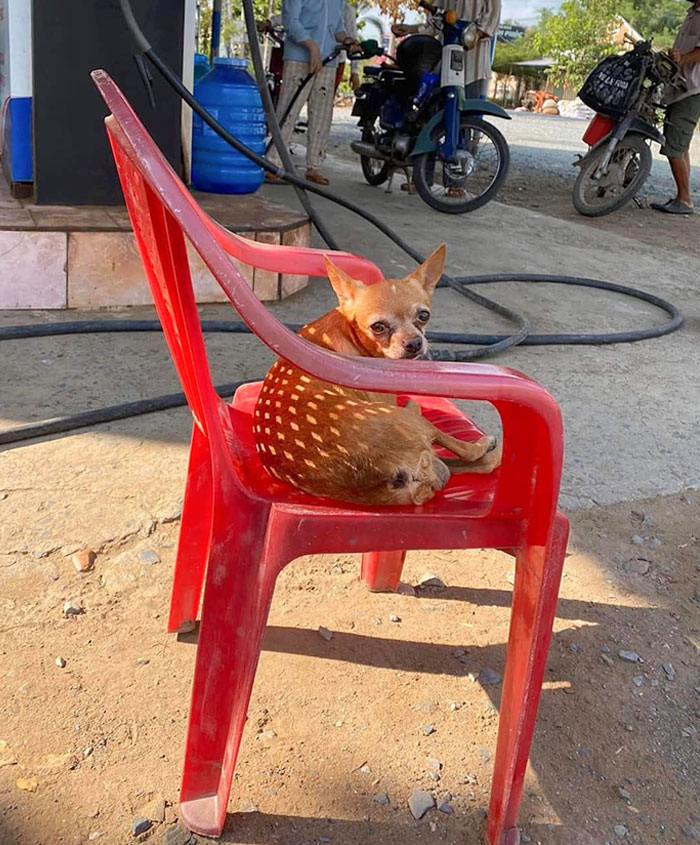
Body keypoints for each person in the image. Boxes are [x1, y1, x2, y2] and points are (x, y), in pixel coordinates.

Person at [266, 0, 358, 185]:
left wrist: (346, 39)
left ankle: (314, 166)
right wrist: (311, 45)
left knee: (322, 115)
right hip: (299, 58)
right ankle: (273, 163)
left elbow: (337, 28)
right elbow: (291, 21)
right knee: (288, 110)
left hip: (328, 61)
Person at [391, 0, 500, 100]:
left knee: (471, 113)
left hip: (473, 71)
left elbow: (492, 19)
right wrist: (410, 29)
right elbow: (435, 22)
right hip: (445, 68)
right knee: (438, 109)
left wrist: (475, 35)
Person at [651, 0, 700, 215]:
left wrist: (682, 59)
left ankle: (685, 200)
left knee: (673, 146)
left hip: (693, 88)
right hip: (680, 87)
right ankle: (682, 196)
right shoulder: (692, 13)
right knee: (681, 146)